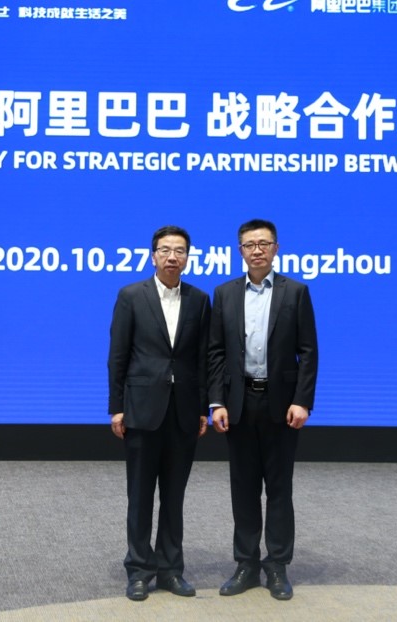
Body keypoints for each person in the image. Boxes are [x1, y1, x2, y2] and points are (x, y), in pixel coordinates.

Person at [208, 218, 319, 601]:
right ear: (240, 251)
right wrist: (217, 401)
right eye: (249, 244)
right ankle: (246, 564)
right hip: (239, 403)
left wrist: (302, 400)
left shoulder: (296, 292)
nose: (257, 250)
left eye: (264, 243)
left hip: (281, 404)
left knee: (279, 489)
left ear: (276, 248)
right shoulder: (224, 293)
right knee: (243, 488)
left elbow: (308, 352)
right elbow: (216, 352)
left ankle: (277, 566)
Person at [107, 225, 210, 601]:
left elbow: (202, 359)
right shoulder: (131, 296)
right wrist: (116, 407)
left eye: (179, 251)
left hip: (183, 413)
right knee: (140, 496)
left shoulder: (200, 300)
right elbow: (118, 356)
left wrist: (202, 408)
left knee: (174, 496)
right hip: (141, 410)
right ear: (153, 256)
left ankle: (170, 570)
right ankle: (138, 570)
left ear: (187, 258)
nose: (172, 257)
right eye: (165, 250)